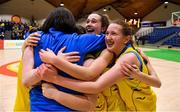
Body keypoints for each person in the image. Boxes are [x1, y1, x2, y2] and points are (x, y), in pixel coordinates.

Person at [37, 20, 161, 111]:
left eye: (114, 34)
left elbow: (95, 85)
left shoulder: (127, 58)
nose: (108, 37)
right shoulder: (116, 52)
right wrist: (148, 64)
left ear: (126, 39)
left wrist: (55, 78)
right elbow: (157, 82)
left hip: (142, 106)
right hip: (127, 105)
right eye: (107, 33)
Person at [21, 7, 108, 111]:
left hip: (39, 106)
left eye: (93, 21)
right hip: (69, 106)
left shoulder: (34, 39)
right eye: (88, 21)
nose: (89, 24)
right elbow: (111, 39)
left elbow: (26, 81)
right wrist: (55, 61)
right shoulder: (80, 41)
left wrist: (26, 42)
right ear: (71, 23)